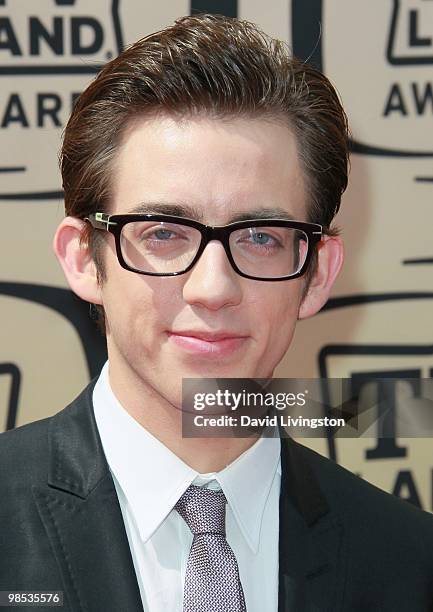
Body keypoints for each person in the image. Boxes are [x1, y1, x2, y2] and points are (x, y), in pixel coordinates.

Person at [1, 13, 432, 612]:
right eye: (163, 234)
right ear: (83, 259)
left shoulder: (411, 563)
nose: (212, 288)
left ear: (318, 275)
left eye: (260, 237)